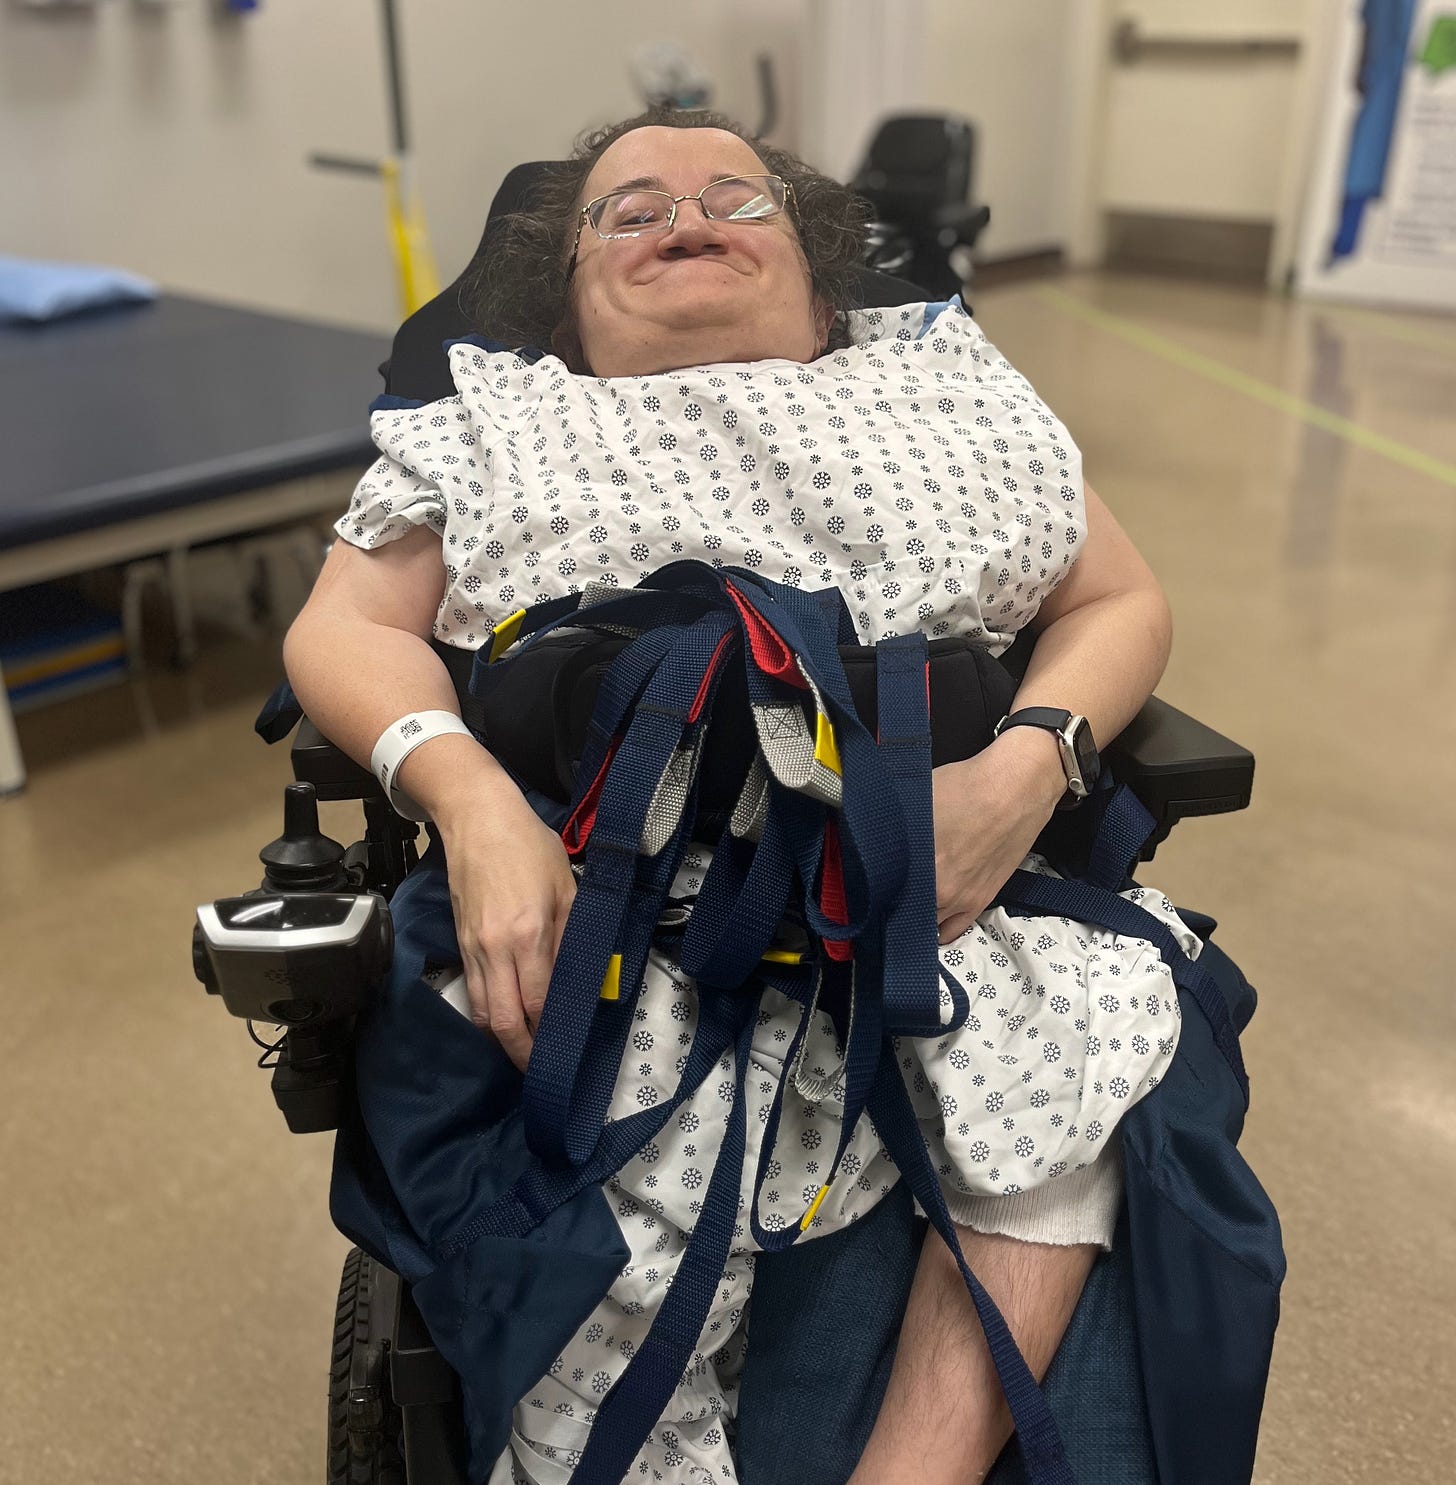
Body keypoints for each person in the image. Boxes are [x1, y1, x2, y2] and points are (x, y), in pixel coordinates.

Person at [285, 109, 1197, 1485]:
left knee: (1094, 1036)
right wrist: (472, 804)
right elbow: (341, 631)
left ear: (825, 289)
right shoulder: (500, 422)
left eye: (735, 198)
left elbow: (1118, 598)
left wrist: (1028, 768)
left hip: (937, 904)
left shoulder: (942, 390)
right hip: (608, 910)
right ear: (572, 309)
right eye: (628, 210)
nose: (684, 215)